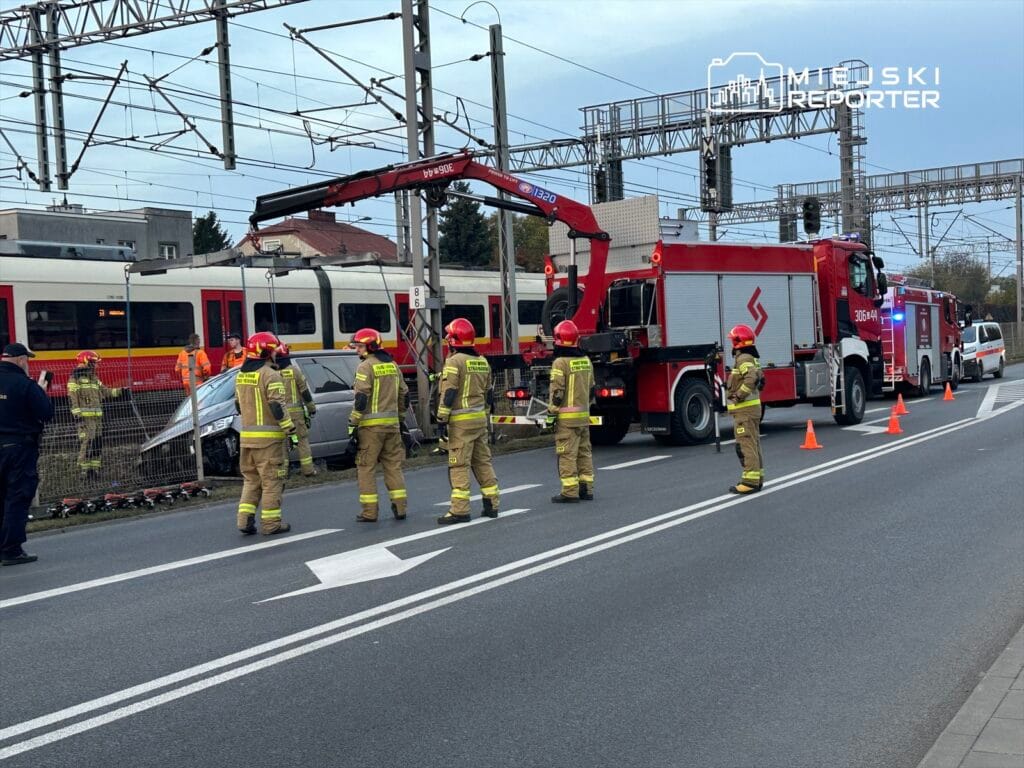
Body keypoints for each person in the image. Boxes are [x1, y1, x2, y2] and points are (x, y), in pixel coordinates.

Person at [435, 318, 499, 524]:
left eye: (449, 338)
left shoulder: (454, 361)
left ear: (455, 340)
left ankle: (460, 510)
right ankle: (492, 504)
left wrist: (442, 419)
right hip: (479, 421)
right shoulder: (482, 361)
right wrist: (485, 414)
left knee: (459, 465)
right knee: (483, 462)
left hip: (460, 423)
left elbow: (449, 391)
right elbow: (489, 394)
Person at [234, 332, 295, 535]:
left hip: (246, 439)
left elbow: (238, 405)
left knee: (251, 481)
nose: (277, 354)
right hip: (269, 442)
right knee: (272, 482)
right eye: (274, 350)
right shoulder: (270, 374)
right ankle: (271, 524)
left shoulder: (241, 375)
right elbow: (277, 406)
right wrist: (290, 429)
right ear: (267, 351)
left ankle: (244, 521)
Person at [0, 343, 53, 566]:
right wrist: (41, 392)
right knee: (18, 496)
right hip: (18, 449)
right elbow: (46, 413)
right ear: (21, 360)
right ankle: (11, 549)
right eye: (27, 360)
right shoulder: (25, 385)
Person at [347, 328, 408, 522]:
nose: (357, 350)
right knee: (393, 467)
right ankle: (400, 508)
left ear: (370, 346)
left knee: (366, 468)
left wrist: (353, 423)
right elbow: (404, 394)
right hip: (392, 427)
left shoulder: (365, 367)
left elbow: (361, 398)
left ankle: (369, 512)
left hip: (371, 429)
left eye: (359, 346)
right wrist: (400, 418)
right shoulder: (393, 365)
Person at [547, 320, 596, 504]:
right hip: (583, 417)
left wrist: (551, 414)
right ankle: (587, 489)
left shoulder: (560, 363)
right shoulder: (586, 361)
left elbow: (557, 393)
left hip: (566, 420)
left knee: (567, 454)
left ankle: (569, 491)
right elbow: (592, 389)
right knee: (584, 453)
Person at [67, 350, 121, 480]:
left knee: (97, 443)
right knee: (87, 443)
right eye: (95, 363)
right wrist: (78, 416)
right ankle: (83, 472)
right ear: (86, 362)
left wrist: (121, 392)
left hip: (97, 418)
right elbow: (72, 398)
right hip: (85, 419)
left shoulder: (94, 378)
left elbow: (106, 391)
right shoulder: (75, 379)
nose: (97, 366)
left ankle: (94, 470)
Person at [725, 324, 764, 495]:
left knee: (745, 445)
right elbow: (758, 379)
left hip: (745, 412)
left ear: (737, 341)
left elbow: (751, 379)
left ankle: (749, 482)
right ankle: (757, 478)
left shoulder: (743, 359)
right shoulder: (751, 358)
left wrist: (738, 396)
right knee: (753, 444)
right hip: (752, 410)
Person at [277, 344, 318, 477]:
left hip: (280, 416)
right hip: (296, 414)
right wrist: (311, 408)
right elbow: (304, 391)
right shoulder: (294, 371)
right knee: (302, 441)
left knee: (281, 445)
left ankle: (282, 473)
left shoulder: (271, 374)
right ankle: (308, 470)